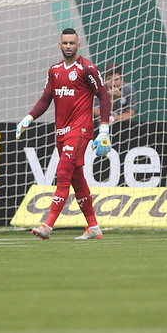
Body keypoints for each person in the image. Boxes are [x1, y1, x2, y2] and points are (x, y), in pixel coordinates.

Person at [16, 28, 112, 240]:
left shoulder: (88, 69)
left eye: (72, 43)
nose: (68, 46)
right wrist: (28, 118)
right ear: (59, 45)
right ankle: (94, 227)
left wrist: (104, 129)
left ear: (78, 45)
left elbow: (103, 96)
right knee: (77, 180)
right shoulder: (54, 70)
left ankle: (48, 225)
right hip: (61, 132)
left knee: (62, 173)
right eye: (65, 43)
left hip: (80, 130)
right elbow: (46, 99)